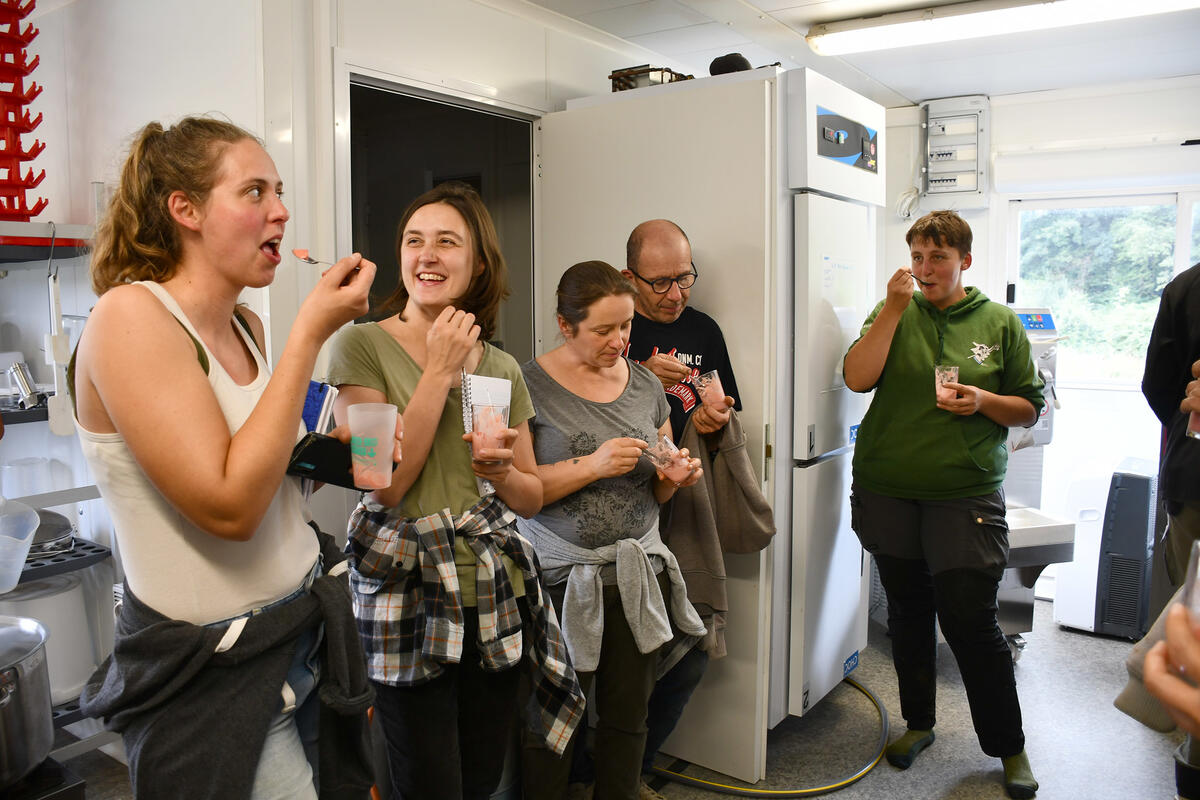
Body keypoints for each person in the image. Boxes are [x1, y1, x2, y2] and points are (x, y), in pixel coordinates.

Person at [73, 116, 379, 799]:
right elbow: (230, 506)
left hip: (301, 633)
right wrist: (309, 336)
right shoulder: (129, 318)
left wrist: (336, 454)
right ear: (185, 210)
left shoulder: (247, 323)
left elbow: (261, 457)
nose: (281, 209)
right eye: (254, 191)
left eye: (280, 191)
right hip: (211, 671)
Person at [325, 181, 583, 800]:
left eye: (447, 242)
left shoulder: (498, 366)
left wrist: (499, 474)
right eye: (414, 241)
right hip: (404, 594)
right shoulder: (360, 345)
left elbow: (528, 497)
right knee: (427, 781)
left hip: (490, 591)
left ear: (477, 264)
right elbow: (378, 484)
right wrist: (439, 369)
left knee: (480, 774)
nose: (427, 255)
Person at [842, 210, 1045, 800]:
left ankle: (1009, 747)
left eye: (939, 258)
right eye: (918, 257)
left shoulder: (998, 321)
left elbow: (1029, 408)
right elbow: (856, 377)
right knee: (907, 611)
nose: (925, 269)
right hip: (888, 488)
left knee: (970, 620)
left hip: (965, 494)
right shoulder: (893, 312)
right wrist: (894, 309)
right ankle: (919, 724)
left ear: (965, 262)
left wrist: (982, 399)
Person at [517, 260, 707, 800]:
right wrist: (594, 465)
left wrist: (675, 476)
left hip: (634, 574)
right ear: (565, 324)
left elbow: (660, 480)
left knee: (628, 716)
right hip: (558, 579)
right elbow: (518, 490)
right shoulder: (528, 386)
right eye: (603, 330)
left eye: (625, 327)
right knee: (551, 719)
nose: (619, 341)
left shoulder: (645, 384)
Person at [619, 219, 745, 786]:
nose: (675, 294)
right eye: (661, 282)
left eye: (685, 278)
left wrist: (716, 415)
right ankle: (605, 773)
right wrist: (641, 373)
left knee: (688, 644)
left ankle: (631, 769)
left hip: (685, 508)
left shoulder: (702, 330)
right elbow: (577, 394)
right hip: (621, 511)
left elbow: (725, 401)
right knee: (623, 657)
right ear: (630, 278)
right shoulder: (616, 330)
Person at [1142, 261, 1200, 587]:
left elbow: (1158, 385)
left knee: (1192, 608)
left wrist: (1183, 421)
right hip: (1192, 473)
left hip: (1193, 466)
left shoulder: (1186, 286)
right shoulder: (1185, 287)